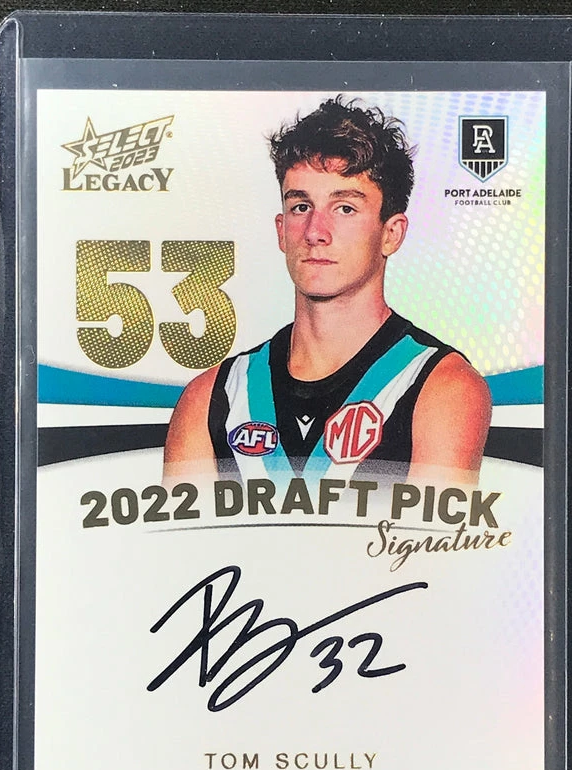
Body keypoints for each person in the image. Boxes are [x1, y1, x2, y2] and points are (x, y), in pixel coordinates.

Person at [164, 97, 491, 483]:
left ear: (391, 234)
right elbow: (183, 529)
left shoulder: (441, 386)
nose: (316, 232)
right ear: (281, 230)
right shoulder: (209, 398)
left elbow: (432, 527)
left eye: (345, 208)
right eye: (301, 207)